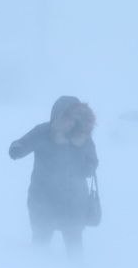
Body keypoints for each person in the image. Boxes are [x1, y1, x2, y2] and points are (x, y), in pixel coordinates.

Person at [9, 96, 99, 256]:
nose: (70, 122)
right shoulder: (43, 132)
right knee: (39, 249)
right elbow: (23, 144)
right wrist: (17, 148)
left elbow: (92, 162)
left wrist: (88, 166)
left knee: (75, 251)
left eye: (73, 118)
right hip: (43, 201)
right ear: (56, 116)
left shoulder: (83, 137)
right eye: (66, 117)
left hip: (74, 205)